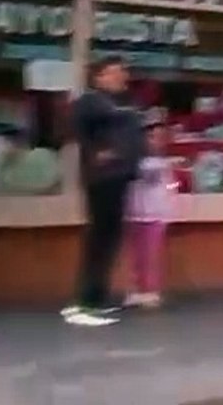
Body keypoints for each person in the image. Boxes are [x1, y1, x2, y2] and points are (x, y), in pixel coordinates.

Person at [63, 56, 146, 327]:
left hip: (120, 177)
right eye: (113, 72)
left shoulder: (122, 103)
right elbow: (75, 128)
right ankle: (84, 303)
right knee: (99, 238)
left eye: (123, 72)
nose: (121, 76)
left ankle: (97, 299)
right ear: (98, 77)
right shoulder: (91, 101)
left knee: (109, 238)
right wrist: (98, 152)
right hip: (103, 179)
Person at [124, 116, 176, 309]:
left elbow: (164, 183)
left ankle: (151, 290)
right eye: (151, 136)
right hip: (135, 212)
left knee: (151, 253)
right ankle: (138, 290)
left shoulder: (162, 163)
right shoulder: (133, 161)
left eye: (159, 136)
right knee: (137, 254)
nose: (155, 140)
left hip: (156, 214)